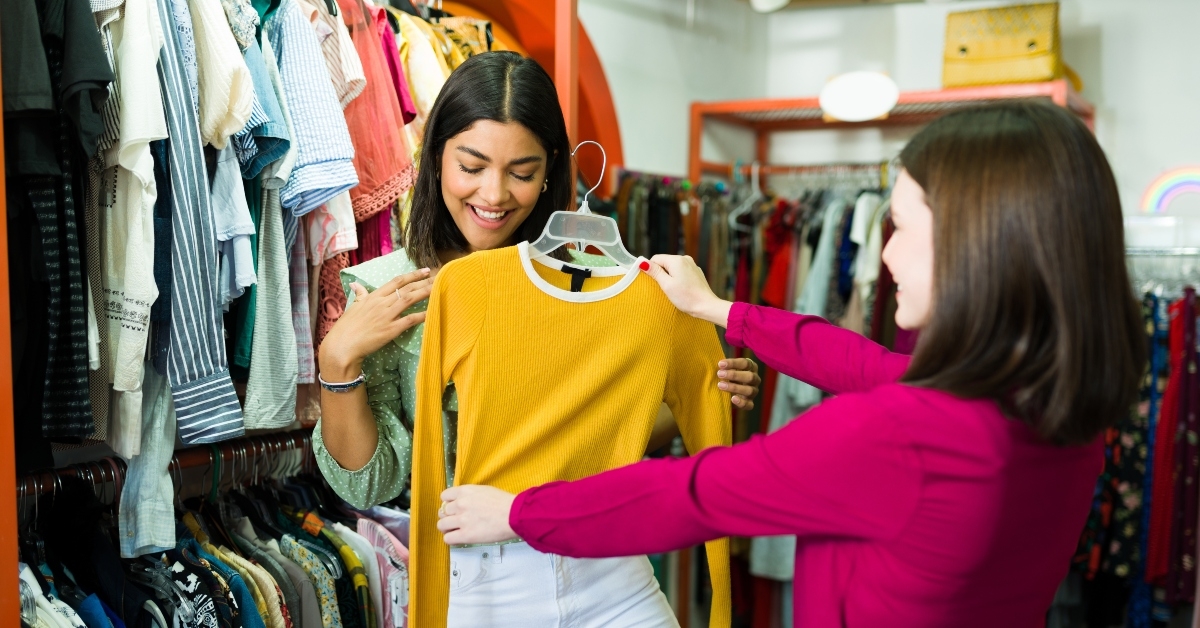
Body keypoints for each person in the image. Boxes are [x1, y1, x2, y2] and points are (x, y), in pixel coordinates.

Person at [436, 102, 1147, 627]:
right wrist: (722, 311)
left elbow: (692, 493)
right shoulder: (1053, 408)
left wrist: (521, 512)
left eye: (906, 229)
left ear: (984, 244)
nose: (887, 256)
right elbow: (859, 360)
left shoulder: (900, 436)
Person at [313, 51, 761, 625]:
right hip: (476, 577)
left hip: (603, 560)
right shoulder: (387, 292)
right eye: (471, 166)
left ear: (549, 171)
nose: (494, 194)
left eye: (521, 173)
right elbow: (370, 482)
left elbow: (602, 431)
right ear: (435, 157)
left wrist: (700, 393)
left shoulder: (594, 281)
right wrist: (338, 356)